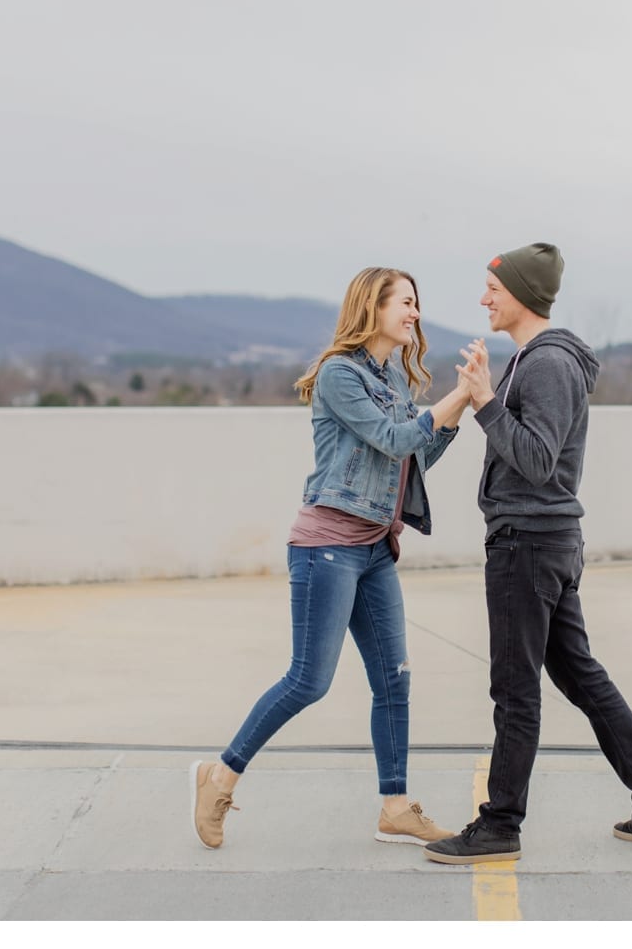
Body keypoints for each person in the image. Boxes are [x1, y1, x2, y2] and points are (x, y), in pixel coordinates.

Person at [190, 266, 475, 850]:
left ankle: (395, 807)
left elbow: (411, 461)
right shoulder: (339, 377)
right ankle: (220, 774)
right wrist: (458, 396)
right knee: (309, 681)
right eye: (406, 302)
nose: (415, 314)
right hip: (326, 549)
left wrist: (461, 407)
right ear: (373, 306)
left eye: (417, 304)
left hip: (374, 549)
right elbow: (396, 440)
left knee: (394, 681)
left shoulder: (390, 378)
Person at [424, 243, 632, 865]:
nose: (484, 298)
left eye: (492, 288)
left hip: (529, 543)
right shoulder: (534, 360)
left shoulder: (545, 364)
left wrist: (485, 402)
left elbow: (538, 461)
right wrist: (488, 394)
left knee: (516, 690)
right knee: (579, 675)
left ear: (520, 292)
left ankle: (499, 826)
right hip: (544, 541)